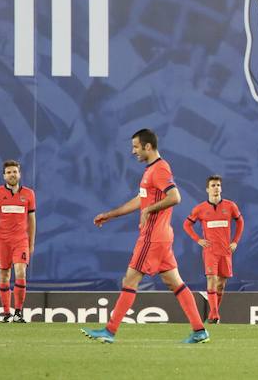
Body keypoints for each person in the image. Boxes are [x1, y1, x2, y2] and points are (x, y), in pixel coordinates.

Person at [81, 128, 209, 344]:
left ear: (147, 147)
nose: (133, 151)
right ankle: (199, 331)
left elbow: (175, 197)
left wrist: (149, 210)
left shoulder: (159, 169)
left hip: (152, 237)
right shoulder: (151, 170)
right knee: (175, 282)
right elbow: (141, 200)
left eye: (136, 147)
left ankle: (109, 331)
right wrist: (110, 215)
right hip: (162, 237)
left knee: (130, 279)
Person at [183, 175, 244, 323]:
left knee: (221, 285)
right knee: (211, 279)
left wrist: (235, 242)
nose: (216, 188)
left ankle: (212, 314)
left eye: (218, 185)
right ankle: (215, 315)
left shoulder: (230, 206)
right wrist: (198, 239)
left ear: (221, 188)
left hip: (225, 251)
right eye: (213, 185)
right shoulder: (200, 209)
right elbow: (187, 224)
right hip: (210, 251)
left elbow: (240, 222)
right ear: (207, 189)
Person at [0, 160, 36, 323]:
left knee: (20, 272)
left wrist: (31, 243)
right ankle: (7, 313)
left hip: (21, 240)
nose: (12, 175)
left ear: (19, 174)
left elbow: (32, 220)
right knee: (4, 275)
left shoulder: (29, 194)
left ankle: (18, 313)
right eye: (9, 172)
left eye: (14, 171)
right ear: (4, 176)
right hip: (3, 241)